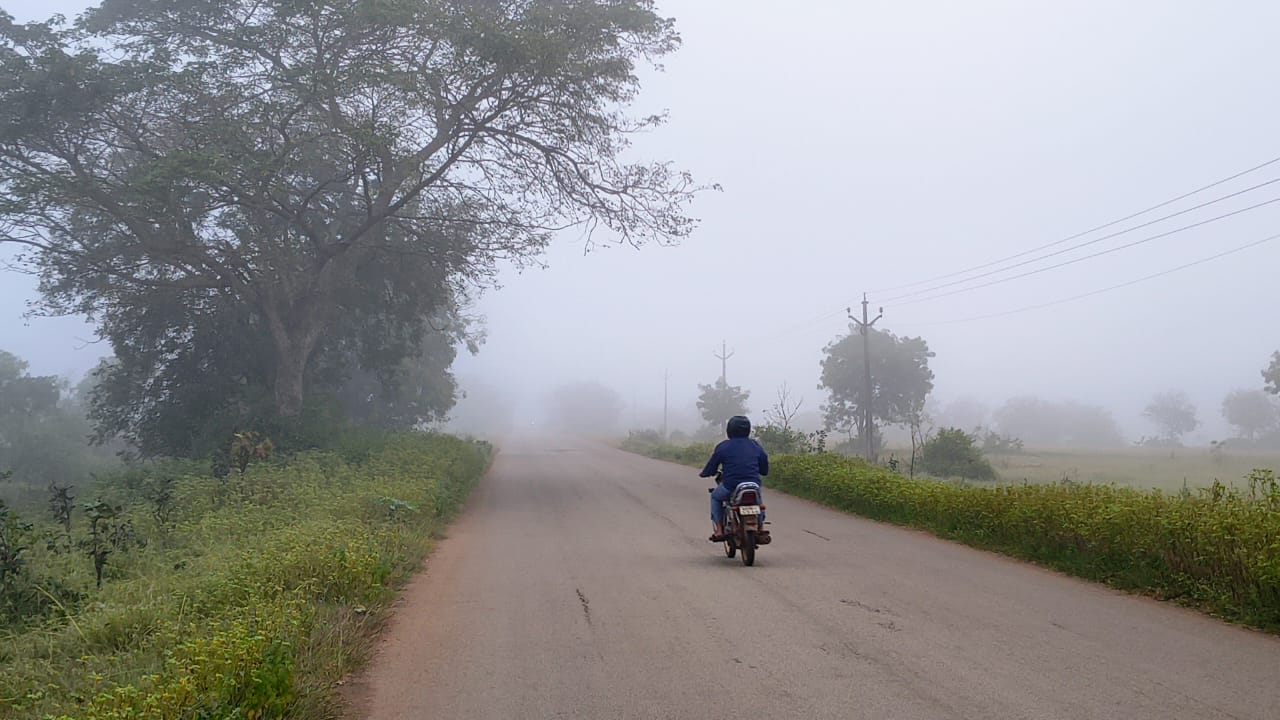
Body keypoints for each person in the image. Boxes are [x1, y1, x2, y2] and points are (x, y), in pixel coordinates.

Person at [699, 415, 769, 543]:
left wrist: (705, 473)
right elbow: (764, 466)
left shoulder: (723, 446)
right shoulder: (755, 445)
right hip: (753, 484)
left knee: (715, 496)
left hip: (731, 485)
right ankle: (760, 527)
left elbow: (712, 465)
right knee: (758, 501)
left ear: (729, 430)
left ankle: (719, 530)